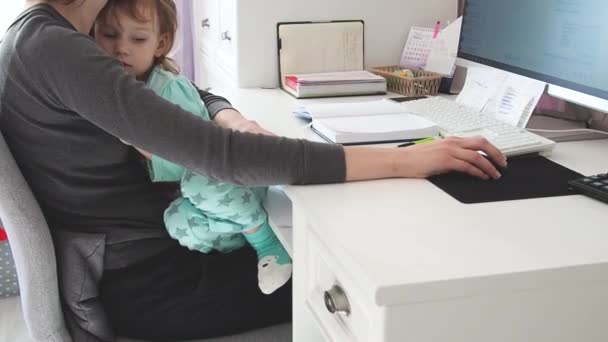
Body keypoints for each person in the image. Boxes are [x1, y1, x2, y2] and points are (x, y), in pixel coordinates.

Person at [0, 0, 506, 341]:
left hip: (153, 257)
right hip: (155, 280)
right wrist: (405, 158)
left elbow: (179, 93)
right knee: (379, 275)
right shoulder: (58, 49)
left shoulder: (47, 36)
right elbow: (225, 157)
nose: (120, 43)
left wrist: (227, 110)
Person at [94, 0, 292, 295]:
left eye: (137, 39)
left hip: (215, 176)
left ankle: (267, 243)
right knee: (175, 223)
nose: (122, 47)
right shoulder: (116, 85)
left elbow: (187, 159)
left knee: (200, 186)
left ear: (160, 44)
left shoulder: (169, 89)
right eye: (109, 35)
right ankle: (242, 233)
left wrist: (131, 137)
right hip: (193, 196)